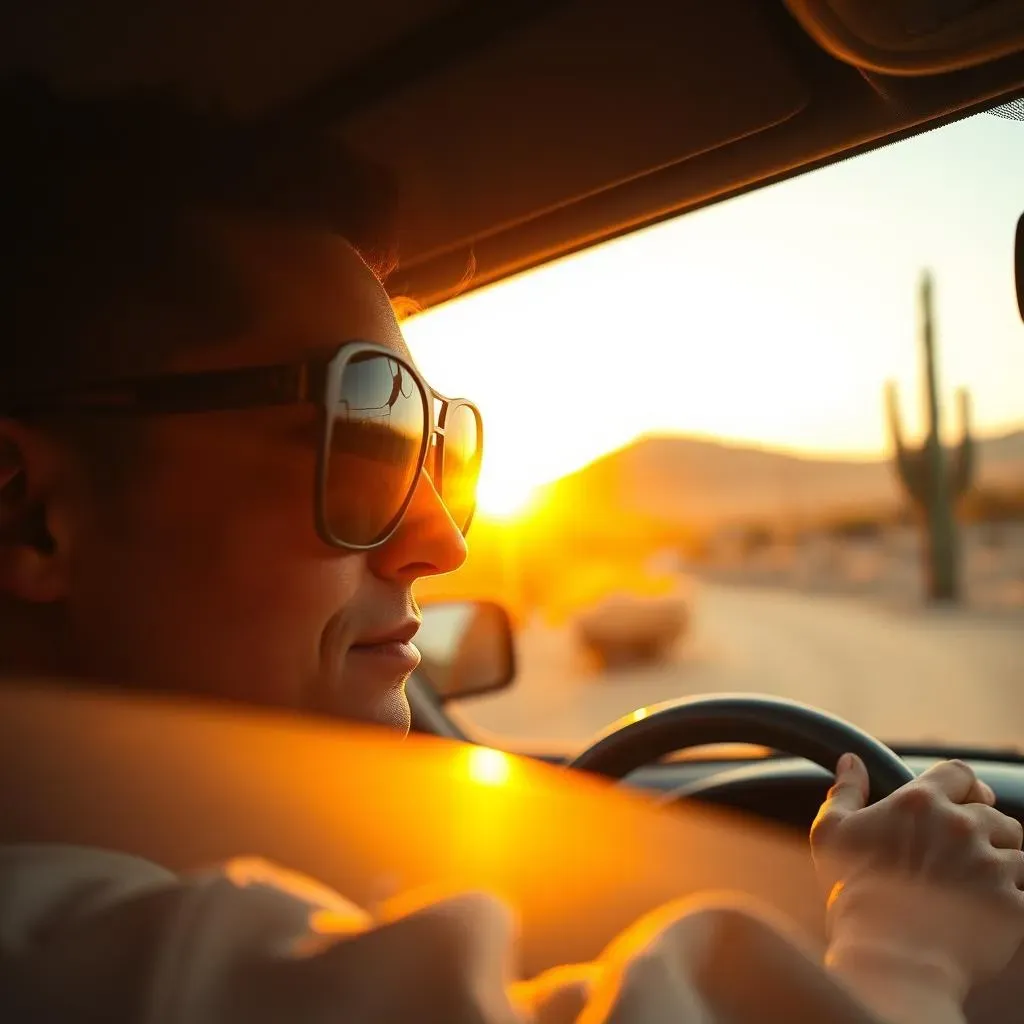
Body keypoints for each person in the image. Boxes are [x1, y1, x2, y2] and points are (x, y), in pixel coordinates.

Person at [0, 78, 1022, 1023]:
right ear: (33, 512)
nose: (439, 541)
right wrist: (906, 941)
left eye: (432, 444)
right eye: (363, 431)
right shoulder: (112, 964)